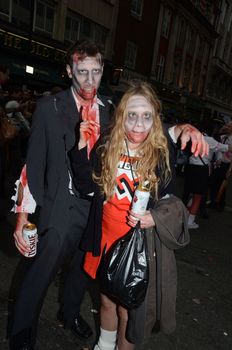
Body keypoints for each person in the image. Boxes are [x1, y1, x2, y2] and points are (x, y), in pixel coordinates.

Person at [69, 81, 207, 350]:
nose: (139, 124)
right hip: (104, 237)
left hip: (136, 245)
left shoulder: (160, 153)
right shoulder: (107, 145)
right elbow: (87, 188)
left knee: (127, 312)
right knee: (106, 301)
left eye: (146, 116)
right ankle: (103, 346)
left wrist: (154, 217)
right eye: (132, 115)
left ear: (155, 119)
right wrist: (80, 148)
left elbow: (170, 200)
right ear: (121, 116)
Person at [10, 39, 113, 350]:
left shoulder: (111, 109)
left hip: (96, 208)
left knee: (84, 270)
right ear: (69, 70)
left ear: (102, 70)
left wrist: (177, 131)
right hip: (60, 206)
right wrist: (22, 218)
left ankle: (69, 314)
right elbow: (33, 165)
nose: (90, 81)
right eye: (82, 72)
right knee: (40, 272)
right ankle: (21, 332)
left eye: (96, 72)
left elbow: (142, 129)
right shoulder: (49, 108)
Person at [182, 121, 232, 228]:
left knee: (191, 194)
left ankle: (185, 217)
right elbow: (226, 148)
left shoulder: (194, 137)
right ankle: (190, 222)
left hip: (191, 167)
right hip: (201, 170)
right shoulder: (210, 140)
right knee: (198, 198)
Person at [209, 122, 232, 210]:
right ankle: (213, 202)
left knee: (222, 185)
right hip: (217, 163)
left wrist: (229, 170)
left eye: (230, 126)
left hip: (226, 165)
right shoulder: (221, 137)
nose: (227, 127)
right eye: (227, 125)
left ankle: (220, 204)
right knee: (213, 183)